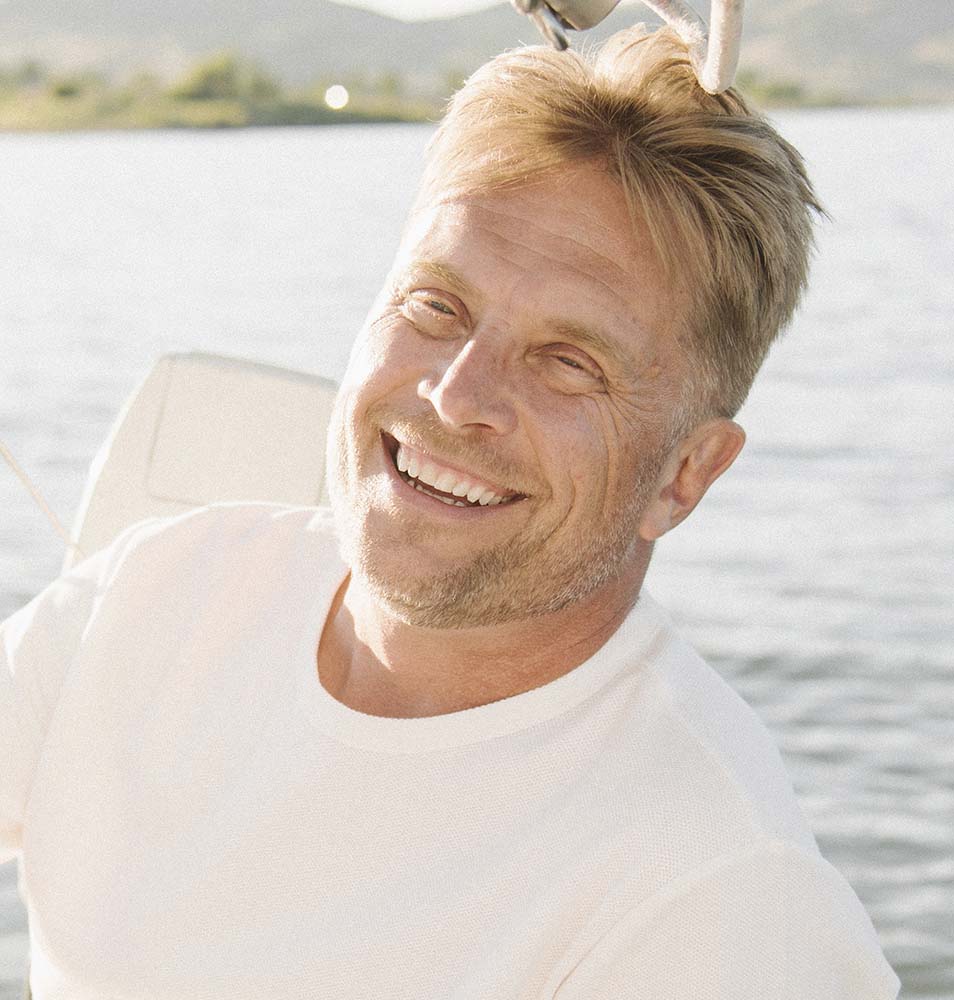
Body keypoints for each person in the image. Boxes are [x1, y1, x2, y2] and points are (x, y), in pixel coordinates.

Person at [1, 24, 899, 1000]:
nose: (456, 395)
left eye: (569, 362)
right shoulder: (153, 594)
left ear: (685, 474)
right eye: (437, 306)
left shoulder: (718, 899)